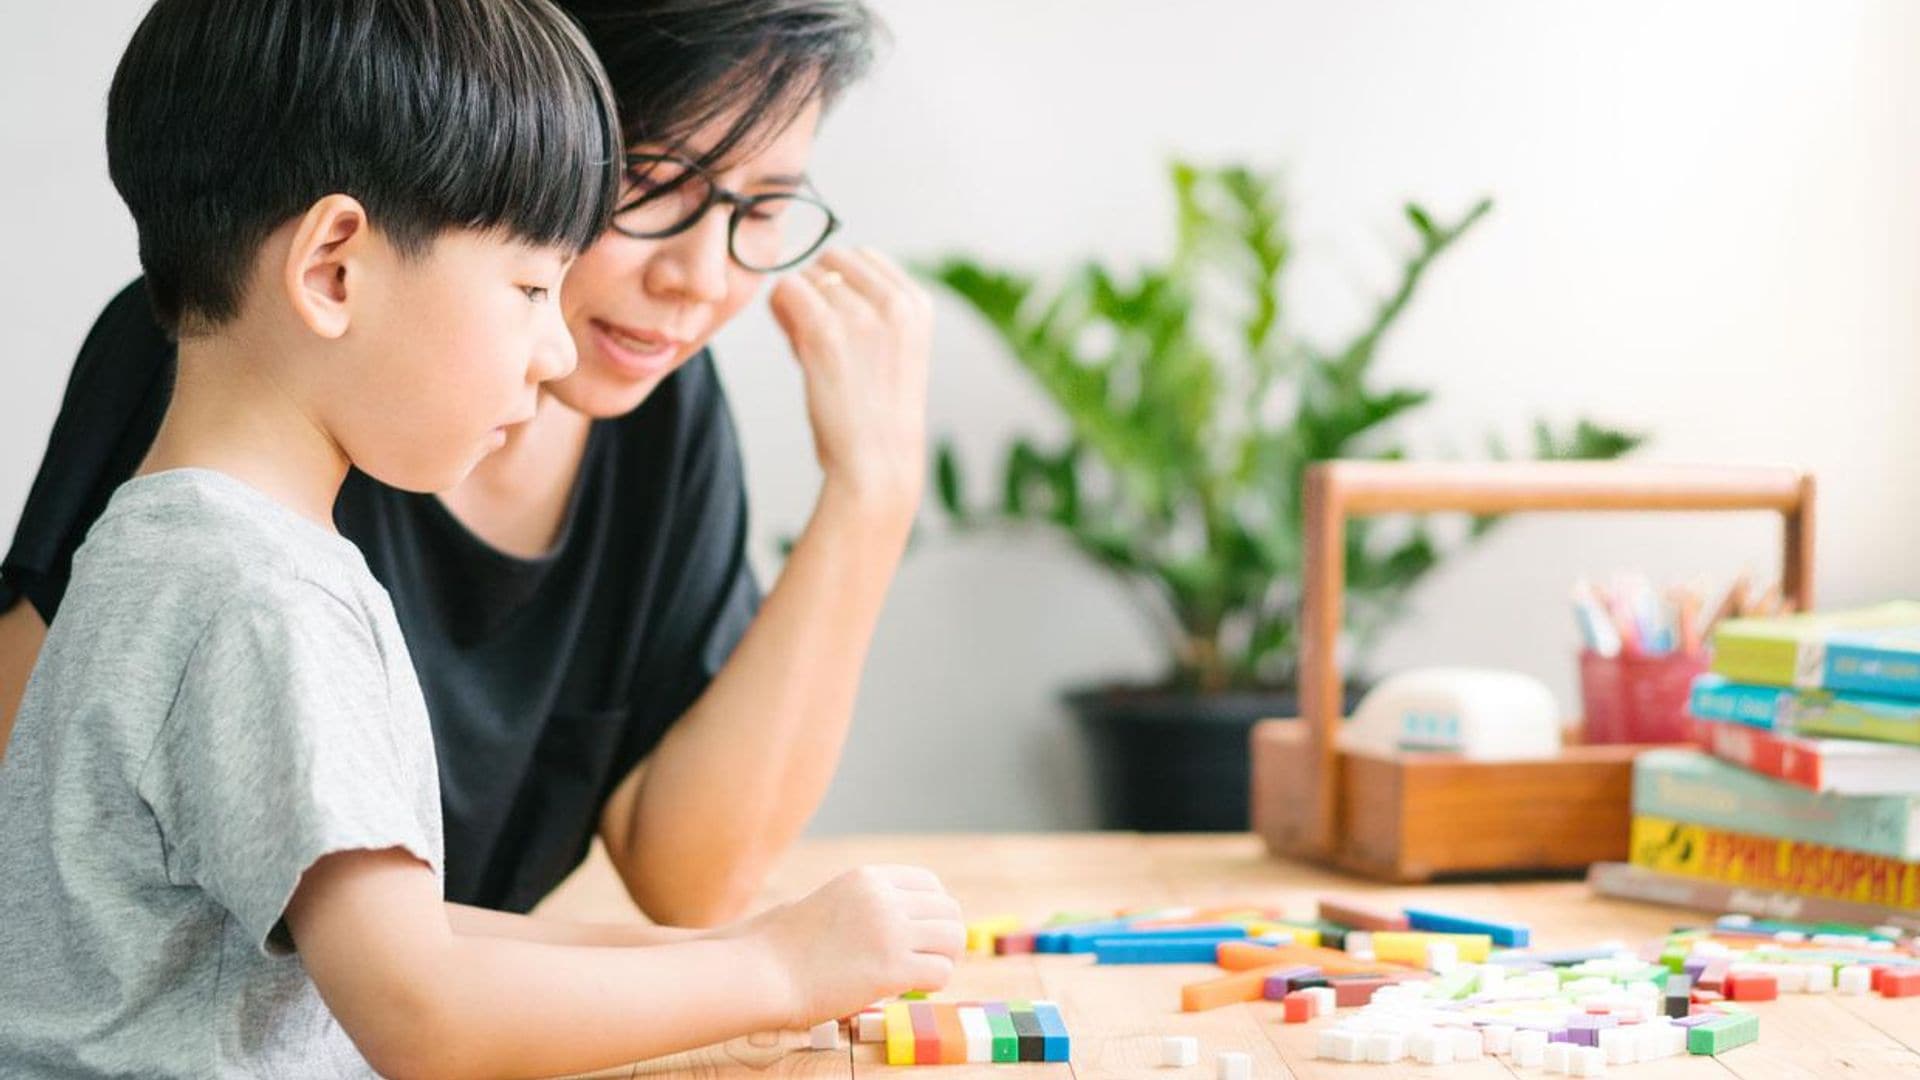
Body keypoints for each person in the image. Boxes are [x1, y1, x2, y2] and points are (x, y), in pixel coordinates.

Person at [0, 1, 961, 1075]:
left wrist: (745, 955)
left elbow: (380, 937)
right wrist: (776, 973)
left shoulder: (192, 546)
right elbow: (422, 1011)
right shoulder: (266, 602)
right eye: (530, 286)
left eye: (766, 205)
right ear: (332, 269)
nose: (552, 353)